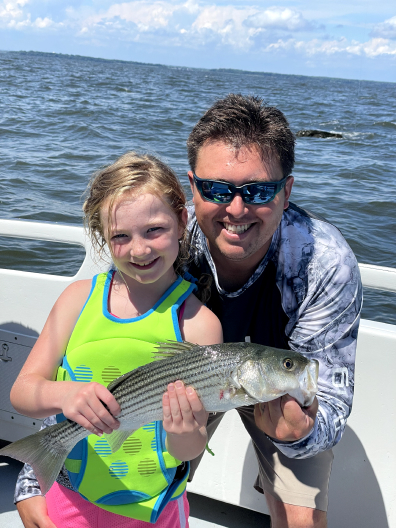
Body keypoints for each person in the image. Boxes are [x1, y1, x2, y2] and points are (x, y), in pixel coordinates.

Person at [15, 95, 362, 528]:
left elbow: (329, 402)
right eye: (217, 189)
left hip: (278, 387)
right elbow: (92, 356)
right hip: (188, 381)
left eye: (257, 190)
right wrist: (35, 474)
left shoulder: (324, 264)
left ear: (286, 191)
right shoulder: (160, 240)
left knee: (302, 519)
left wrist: (301, 434)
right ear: (192, 190)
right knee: (155, 487)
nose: (236, 209)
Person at [11, 151, 223, 528]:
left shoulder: (200, 325)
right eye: (120, 236)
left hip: (156, 509)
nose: (139, 249)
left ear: (181, 221)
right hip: (73, 497)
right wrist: (65, 396)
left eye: (154, 230)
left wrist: (187, 433)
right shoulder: (77, 300)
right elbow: (23, 392)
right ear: (102, 237)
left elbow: (187, 454)